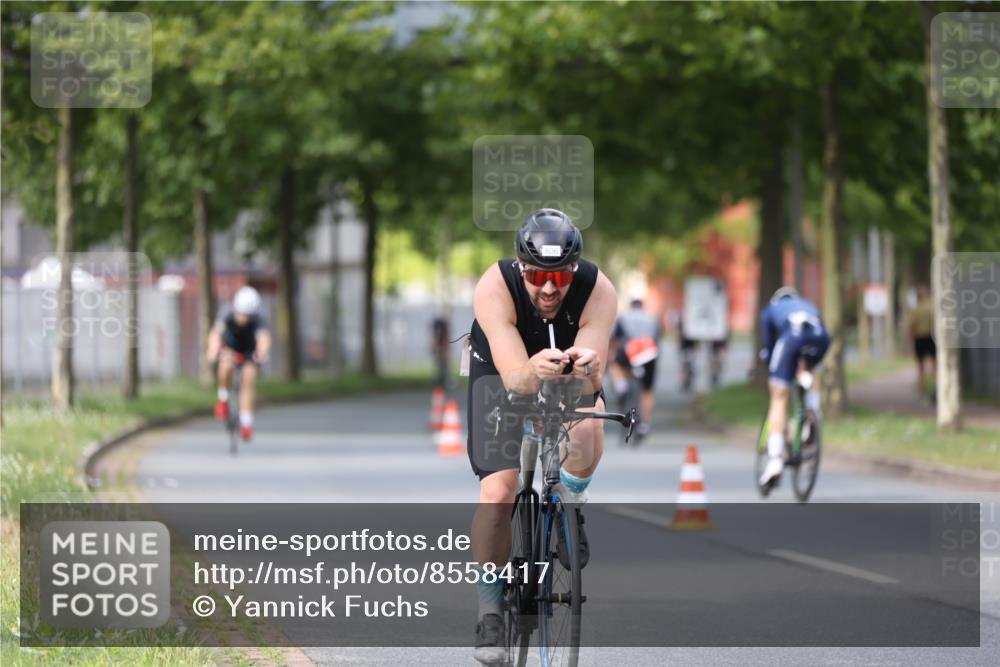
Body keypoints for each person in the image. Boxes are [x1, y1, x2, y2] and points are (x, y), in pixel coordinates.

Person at [466, 208, 616, 664]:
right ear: (520, 267)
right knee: (498, 493)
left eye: (560, 278)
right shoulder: (494, 287)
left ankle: (571, 500)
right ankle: (490, 610)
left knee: (589, 423)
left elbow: (593, 384)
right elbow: (515, 380)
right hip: (502, 372)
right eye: (536, 275)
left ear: (574, 271)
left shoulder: (598, 290)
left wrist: (587, 369)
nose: (549, 288)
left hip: (566, 376)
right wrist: (532, 369)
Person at [757, 286, 830, 486]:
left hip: (792, 337)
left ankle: (774, 461)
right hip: (821, 337)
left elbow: (770, 347)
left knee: (778, 395)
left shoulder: (771, 309)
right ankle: (813, 415)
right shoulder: (809, 305)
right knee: (808, 370)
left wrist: (770, 362)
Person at [206, 286, 272, 441]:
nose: (244, 319)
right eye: (241, 314)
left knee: (249, 377)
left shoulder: (259, 317)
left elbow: (264, 337)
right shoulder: (226, 314)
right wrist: (213, 350)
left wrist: (262, 352)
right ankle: (223, 398)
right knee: (226, 364)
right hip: (230, 348)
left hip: (248, 351)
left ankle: (246, 422)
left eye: (247, 315)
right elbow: (216, 333)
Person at [609, 296, 660, 439]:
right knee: (647, 390)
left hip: (628, 352)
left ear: (631, 305)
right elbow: (656, 339)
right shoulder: (652, 318)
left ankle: (621, 385)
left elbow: (615, 338)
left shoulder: (624, 317)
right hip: (648, 354)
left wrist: (612, 353)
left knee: (614, 363)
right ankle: (645, 424)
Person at [908, 285, 936, 400]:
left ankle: (923, 393)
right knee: (935, 366)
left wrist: (910, 342)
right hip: (930, 338)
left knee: (920, 368)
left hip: (919, 339)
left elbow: (911, 327)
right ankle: (935, 388)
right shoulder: (931, 308)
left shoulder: (915, 310)